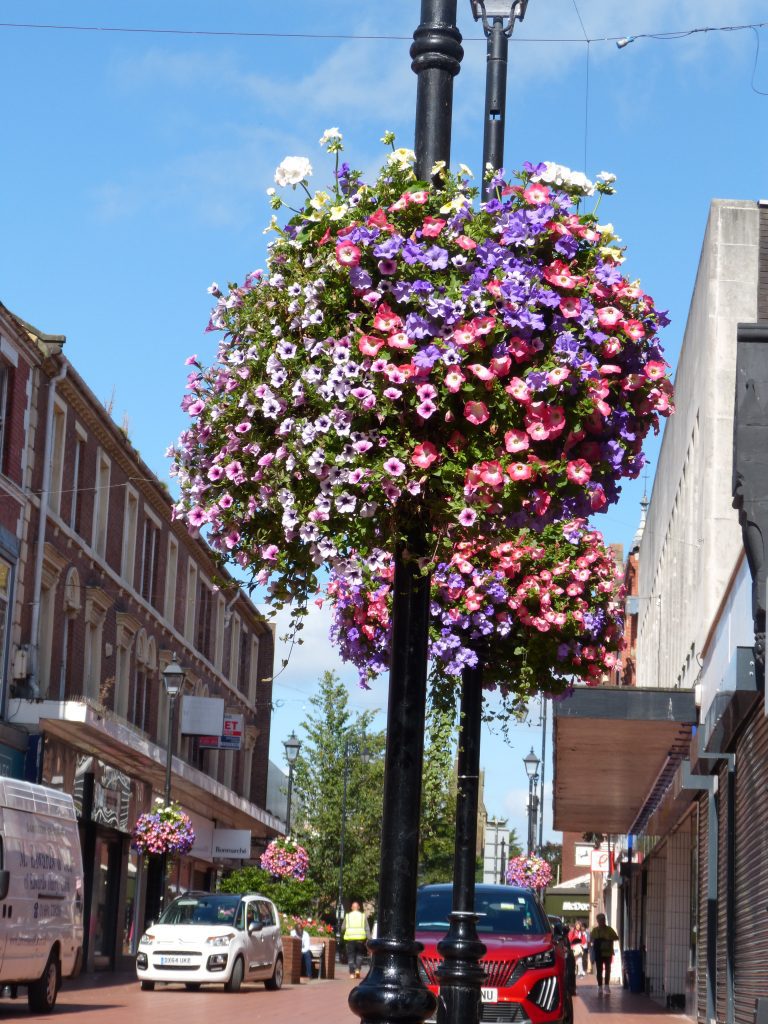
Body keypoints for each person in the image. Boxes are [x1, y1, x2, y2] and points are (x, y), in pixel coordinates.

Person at [591, 913, 619, 995]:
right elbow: (592, 939)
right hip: (599, 953)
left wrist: (608, 938)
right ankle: (600, 986)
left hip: (608, 953)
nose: (602, 921)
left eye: (603, 920)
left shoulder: (609, 929)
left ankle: (606, 986)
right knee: (599, 971)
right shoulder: (595, 930)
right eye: (600, 920)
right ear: (598, 921)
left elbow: (616, 937)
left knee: (608, 970)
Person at [343, 900, 370, 979]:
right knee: (359, 955)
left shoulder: (348, 916)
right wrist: (369, 938)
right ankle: (357, 969)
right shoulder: (363, 916)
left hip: (350, 938)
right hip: (360, 939)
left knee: (351, 956)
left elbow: (343, 927)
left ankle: (351, 973)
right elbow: (367, 928)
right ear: (358, 907)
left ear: (351, 908)